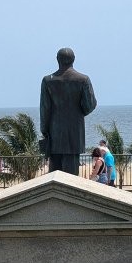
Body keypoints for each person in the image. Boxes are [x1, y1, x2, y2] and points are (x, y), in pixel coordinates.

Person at [39, 48, 97, 176]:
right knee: (71, 177)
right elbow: (90, 105)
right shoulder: (83, 80)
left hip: (54, 133)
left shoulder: (48, 81)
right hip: (74, 133)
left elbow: (45, 109)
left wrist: (44, 130)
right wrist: (77, 113)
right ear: (74, 60)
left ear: (57, 60)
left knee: (54, 175)